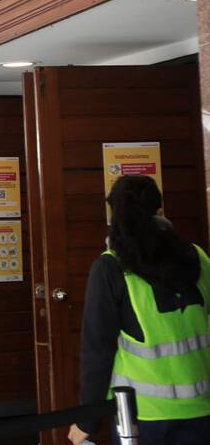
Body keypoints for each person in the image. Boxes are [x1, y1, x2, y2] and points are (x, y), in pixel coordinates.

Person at [68, 175, 210, 445]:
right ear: (160, 210)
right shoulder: (197, 256)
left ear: (114, 213)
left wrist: (88, 419)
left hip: (141, 417)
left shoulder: (110, 268)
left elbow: (97, 350)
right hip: (202, 407)